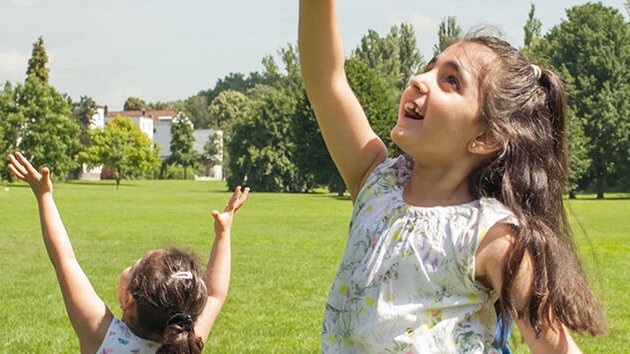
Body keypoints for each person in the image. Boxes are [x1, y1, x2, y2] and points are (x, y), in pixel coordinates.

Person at [298, 1, 606, 353]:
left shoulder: (492, 236)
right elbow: (326, 81)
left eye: (451, 81)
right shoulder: (375, 180)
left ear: (486, 138)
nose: (419, 80)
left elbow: (557, 348)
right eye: (429, 68)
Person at [7, 151, 249, 353]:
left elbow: (64, 260)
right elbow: (215, 295)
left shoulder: (102, 336)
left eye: (134, 266)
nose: (129, 266)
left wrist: (44, 196)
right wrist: (223, 234)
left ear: (128, 299)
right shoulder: (187, 340)